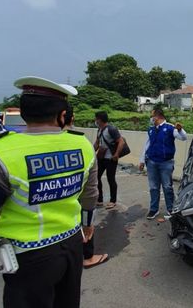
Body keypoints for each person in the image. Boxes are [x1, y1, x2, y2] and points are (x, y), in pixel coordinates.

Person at [0, 76, 99, 308]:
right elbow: (90, 195)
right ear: (63, 116)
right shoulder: (82, 144)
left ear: (24, 113)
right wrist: (87, 225)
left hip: (28, 256)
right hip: (72, 244)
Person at [64, 104, 109, 269]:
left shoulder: (11, 147)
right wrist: (88, 221)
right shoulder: (81, 144)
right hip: (75, 208)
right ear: (68, 117)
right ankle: (87, 257)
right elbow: (90, 192)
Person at [139, 108, 187, 220]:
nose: (151, 119)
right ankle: (153, 209)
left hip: (166, 163)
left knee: (167, 186)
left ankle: (171, 210)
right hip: (152, 162)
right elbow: (147, 145)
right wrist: (142, 160)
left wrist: (180, 130)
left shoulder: (170, 128)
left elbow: (183, 138)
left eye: (152, 116)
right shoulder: (151, 129)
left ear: (158, 117)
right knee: (153, 187)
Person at [94, 111, 125, 209]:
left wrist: (116, 154)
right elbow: (97, 143)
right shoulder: (99, 130)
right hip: (101, 158)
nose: (95, 120)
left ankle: (113, 200)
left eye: (96, 118)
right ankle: (100, 199)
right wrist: (91, 152)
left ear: (99, 119)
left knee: (110, 178)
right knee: (96, 177)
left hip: (111, 158)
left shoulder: (111, 129)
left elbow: (121, 141)